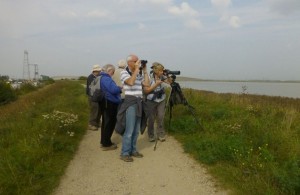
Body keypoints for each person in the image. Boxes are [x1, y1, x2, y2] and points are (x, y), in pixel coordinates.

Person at [115, 54, 150, 162]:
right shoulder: (124, 72)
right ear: (129, 62)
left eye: (138, 61)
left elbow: (147, 84)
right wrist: (136, 70)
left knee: (136, 130)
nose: (137, 63)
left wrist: (144, 71)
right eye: (135, 61)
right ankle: (124, 153)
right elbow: (130, 82)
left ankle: (133, 150)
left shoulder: (138, 73)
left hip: (139, 102)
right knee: (129, 130)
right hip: (130, 103)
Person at [143, 62, 169, 142]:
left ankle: (160, 134)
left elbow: (169, 83)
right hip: (151, 100)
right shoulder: (149, 78)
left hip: (161, 99)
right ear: (156, 71)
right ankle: (151, 135)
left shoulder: (163, 76)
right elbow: (146, 91)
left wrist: (168, 76)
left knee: (161, 117)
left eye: (162, 70)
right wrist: (156, 84)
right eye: (161, 70)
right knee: (151, 118)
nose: (162, 72)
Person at [99, 64, 122, 150]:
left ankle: (104, 141)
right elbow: (113, 90)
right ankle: (106, 144)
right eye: (113, 71)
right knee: (110, 123)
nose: (113, 73)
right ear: (109, 70)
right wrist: (119, 88)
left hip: (105, 102)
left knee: (106, 122)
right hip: (110, 103)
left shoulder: (102, 77)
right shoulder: (106, 79)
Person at [86, 64, 102, 131]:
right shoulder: (91, 77)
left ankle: (97, 123)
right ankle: (91, 124)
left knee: (99, 110)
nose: (99, 72)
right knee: (94, 110)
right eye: (98, 71)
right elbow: (92, 88)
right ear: (95, 71)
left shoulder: (97, 76)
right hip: (92, 96)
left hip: (97, 96)